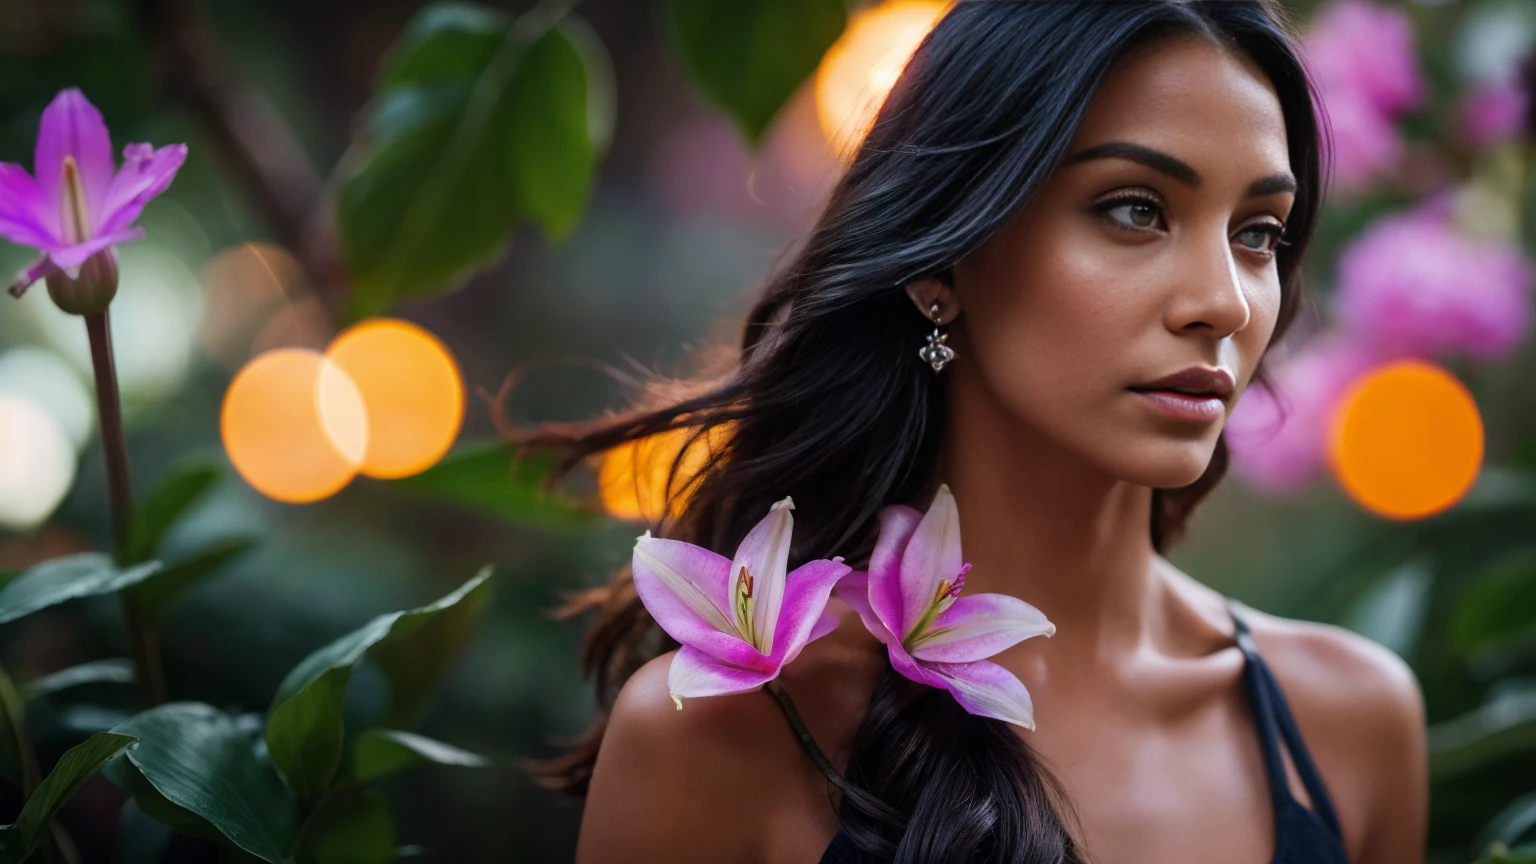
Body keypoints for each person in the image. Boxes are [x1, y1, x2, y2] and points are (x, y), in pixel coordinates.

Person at [525, 1, 1428, 861]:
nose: (1225, 303)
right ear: (942, 262)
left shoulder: (1351, 724)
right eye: (1135, 209)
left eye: (1258, 232)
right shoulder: (730, 736)